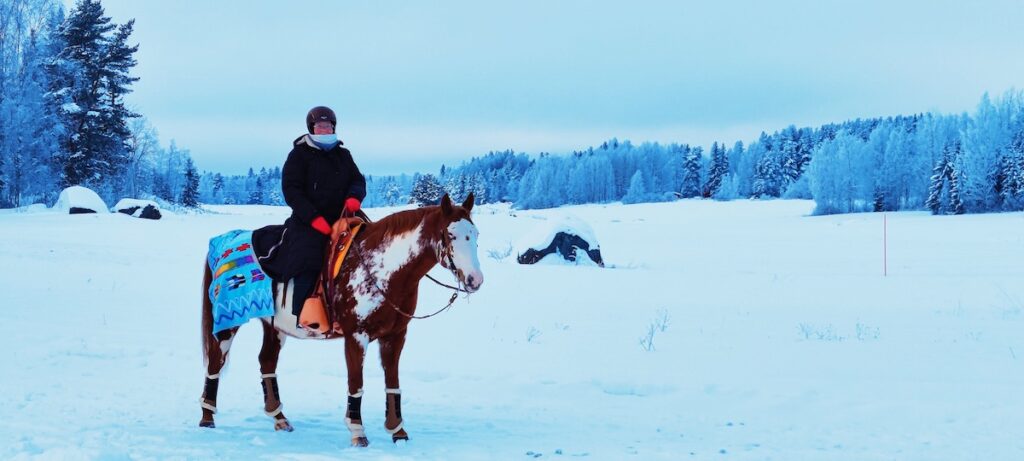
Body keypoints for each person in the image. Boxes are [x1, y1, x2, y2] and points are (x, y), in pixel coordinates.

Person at [279, 106, 366, 319]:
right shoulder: (299, 155)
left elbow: (357, 179)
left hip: (344, 217)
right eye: (320, 126)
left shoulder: (343, 155)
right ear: (312, 128)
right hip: (308, 222)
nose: (324, 130)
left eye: (328, 126)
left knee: (371, 246)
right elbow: (291, 190)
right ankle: (306, 312)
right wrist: (314, 218)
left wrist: (355, 197)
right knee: (308, 258)